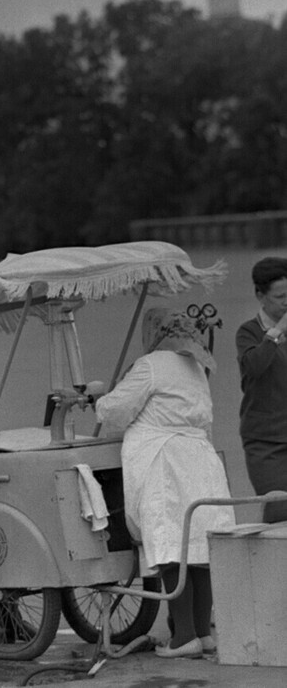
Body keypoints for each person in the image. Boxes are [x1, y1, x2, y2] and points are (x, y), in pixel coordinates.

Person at [94, 308, 234, 659]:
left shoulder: (151, 365)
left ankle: (182, 637)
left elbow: (116, 412)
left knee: (172, 548)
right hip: (200, 459)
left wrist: (98, 397)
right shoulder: (195, 365)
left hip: (164, 461)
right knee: (200, 550)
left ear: (153, 332)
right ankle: (203, 633)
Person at [235, 256, 287, 523]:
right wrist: (276, 332)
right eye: (280, 296)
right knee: (280, 511)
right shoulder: (249, 333)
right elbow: (254, 368)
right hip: (267, 442)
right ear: (260, 295)